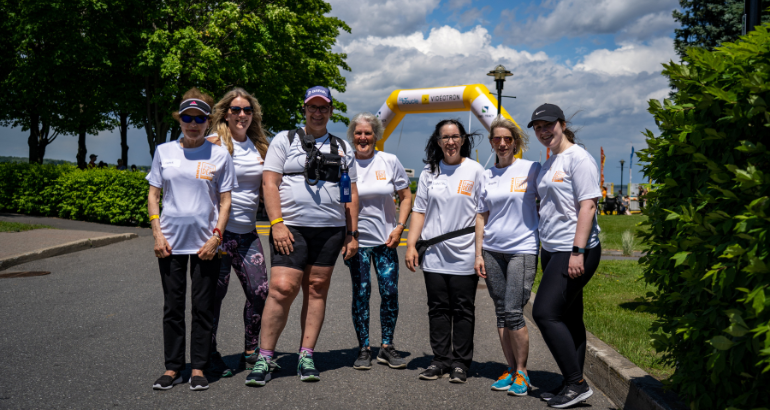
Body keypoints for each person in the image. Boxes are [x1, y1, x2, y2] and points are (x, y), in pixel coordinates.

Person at [247, 86, 359, 385]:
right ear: (305, 109)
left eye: (324, 108)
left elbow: (351, 192)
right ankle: (266, 356)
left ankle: (306, 354)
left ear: (331, 111)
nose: (318, 112)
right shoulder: (285, 140)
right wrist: (277, 223)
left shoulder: (342, 147)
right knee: (282, 288)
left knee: (317, 287)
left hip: (331, 229)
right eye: (313, 107)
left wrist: (352, 233)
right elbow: (269, 183)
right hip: (291, 226)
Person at [146, 88, 236, 391]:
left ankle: (197, 367)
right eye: (187, 117)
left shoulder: (220, 155)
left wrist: (217, 237)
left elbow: (225, 201)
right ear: (179, 119)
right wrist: (157, 233)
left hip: (205, 244)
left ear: (208, 121)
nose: (193, 123)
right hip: (169, 242)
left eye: (199, 118)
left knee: (202, 307)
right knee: (172, 307)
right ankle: (173, 368)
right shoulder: (164, 151)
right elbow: (153, 194)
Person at [529, 104, 601, 408]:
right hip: (553, 248)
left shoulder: (579, 159)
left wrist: (577, 252)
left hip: (574, 250)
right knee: (570, 317)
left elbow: (588, 206)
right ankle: (569, 382)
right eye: (538, 127)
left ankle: (577, 383)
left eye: (549, 125)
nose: (544, 132)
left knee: (544, 313)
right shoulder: (549, 163)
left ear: (561, 123)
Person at [405, 119, 483, 384]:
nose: (450, 142)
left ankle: (460, 363)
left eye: (455, 136)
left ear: (463, 140)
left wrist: (480, 253)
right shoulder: (430, 172)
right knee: (437, 309)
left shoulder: (475, 170)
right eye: (445, 137)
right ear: (437, 142)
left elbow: (482, 215)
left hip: (464, 254)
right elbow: (419, 211)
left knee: (463, 309)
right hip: (435, 254)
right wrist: (411, 245)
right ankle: (440, 360)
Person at [204, 88, 270, 379]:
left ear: (252, 114)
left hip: (247, 234)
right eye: (235, 109)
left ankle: (251, 351)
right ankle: (209, 354)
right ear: (225, 113)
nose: (241, 114)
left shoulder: (260, 147)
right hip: (217, 234)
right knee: (213, 297)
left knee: (260, 292)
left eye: (247, 110)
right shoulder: (213, 144)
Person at [474, 117, 540, 396]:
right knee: (501, 312)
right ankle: (511, 369)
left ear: (516, 142)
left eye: (507, 139)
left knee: (514, 310)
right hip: (492, 250)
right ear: (491, 143)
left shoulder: (531, 169)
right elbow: (481, 215)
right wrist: (478, 252)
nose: (502, 144)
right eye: (496, 139)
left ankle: (523, 372)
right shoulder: (486, 175)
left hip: (522, 248)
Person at [344, 113, 412, 370]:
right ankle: (363, 348)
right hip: (356, 242)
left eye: (368, 133)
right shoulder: (345, 161)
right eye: (359, 133)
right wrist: (345, 236)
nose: (363, 138)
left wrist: (400, 228)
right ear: (353, 136)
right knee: (361, 294)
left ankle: (386, 346)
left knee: (389, 293)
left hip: (386, 241)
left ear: (376, 135)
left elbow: (406, 197)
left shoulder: (389, 161)